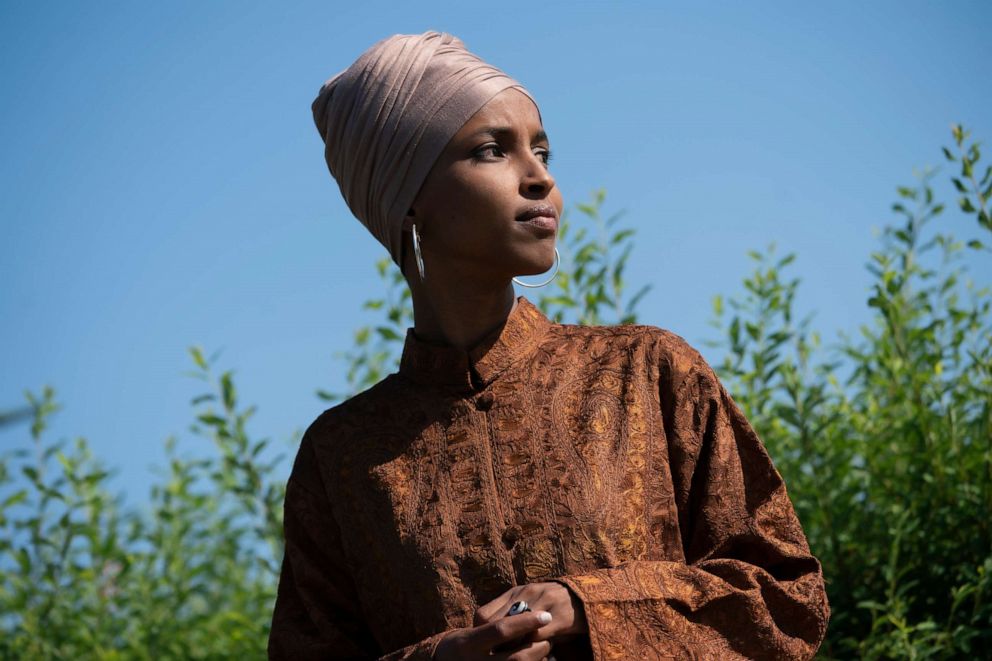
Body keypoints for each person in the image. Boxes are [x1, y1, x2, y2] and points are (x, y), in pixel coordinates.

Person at [268, 31, 829, 660]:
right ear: (406, 201)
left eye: (542, 150)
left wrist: (589, 607)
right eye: (491, 150)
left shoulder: (648, 374)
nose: (539, 178)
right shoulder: (343, 456)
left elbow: (787, 600)